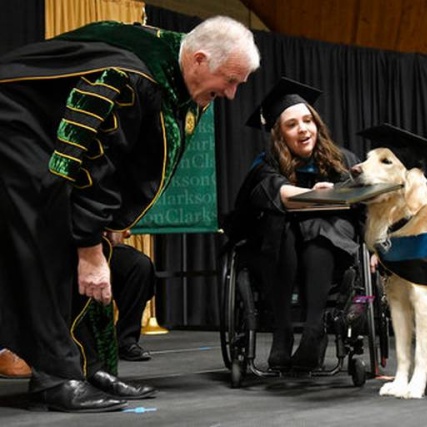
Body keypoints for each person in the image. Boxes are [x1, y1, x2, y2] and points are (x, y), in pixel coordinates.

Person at [0, 16, 260, 413]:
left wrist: (108, 226)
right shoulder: (130, 79)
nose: (231, 94)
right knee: (50, 240)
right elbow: (88, 163)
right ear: (199, 60)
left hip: (41, 136)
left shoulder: (170, 62)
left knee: (81, 239)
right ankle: (56, 376)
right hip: (14, 129)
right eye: (229, 80)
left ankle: (88, 366)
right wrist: (89, 247)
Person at [232, 77, 362, 372]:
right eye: (292, 124)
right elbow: (278, 194)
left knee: (319, 232)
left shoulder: (342, 160)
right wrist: (318, 196)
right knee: (283, 228)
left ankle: (314, 330)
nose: (303, 129)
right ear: (279, 133)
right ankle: (283, 331)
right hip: (279, 253)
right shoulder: (266, 164)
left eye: (308, 121)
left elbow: (363, 207)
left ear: (317, 124)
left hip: (332, 250)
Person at [106, 231, 155, 362]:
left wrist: (116, 230)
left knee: (139, 264)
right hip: (70, 244)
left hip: (102, 245)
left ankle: (126, 340)